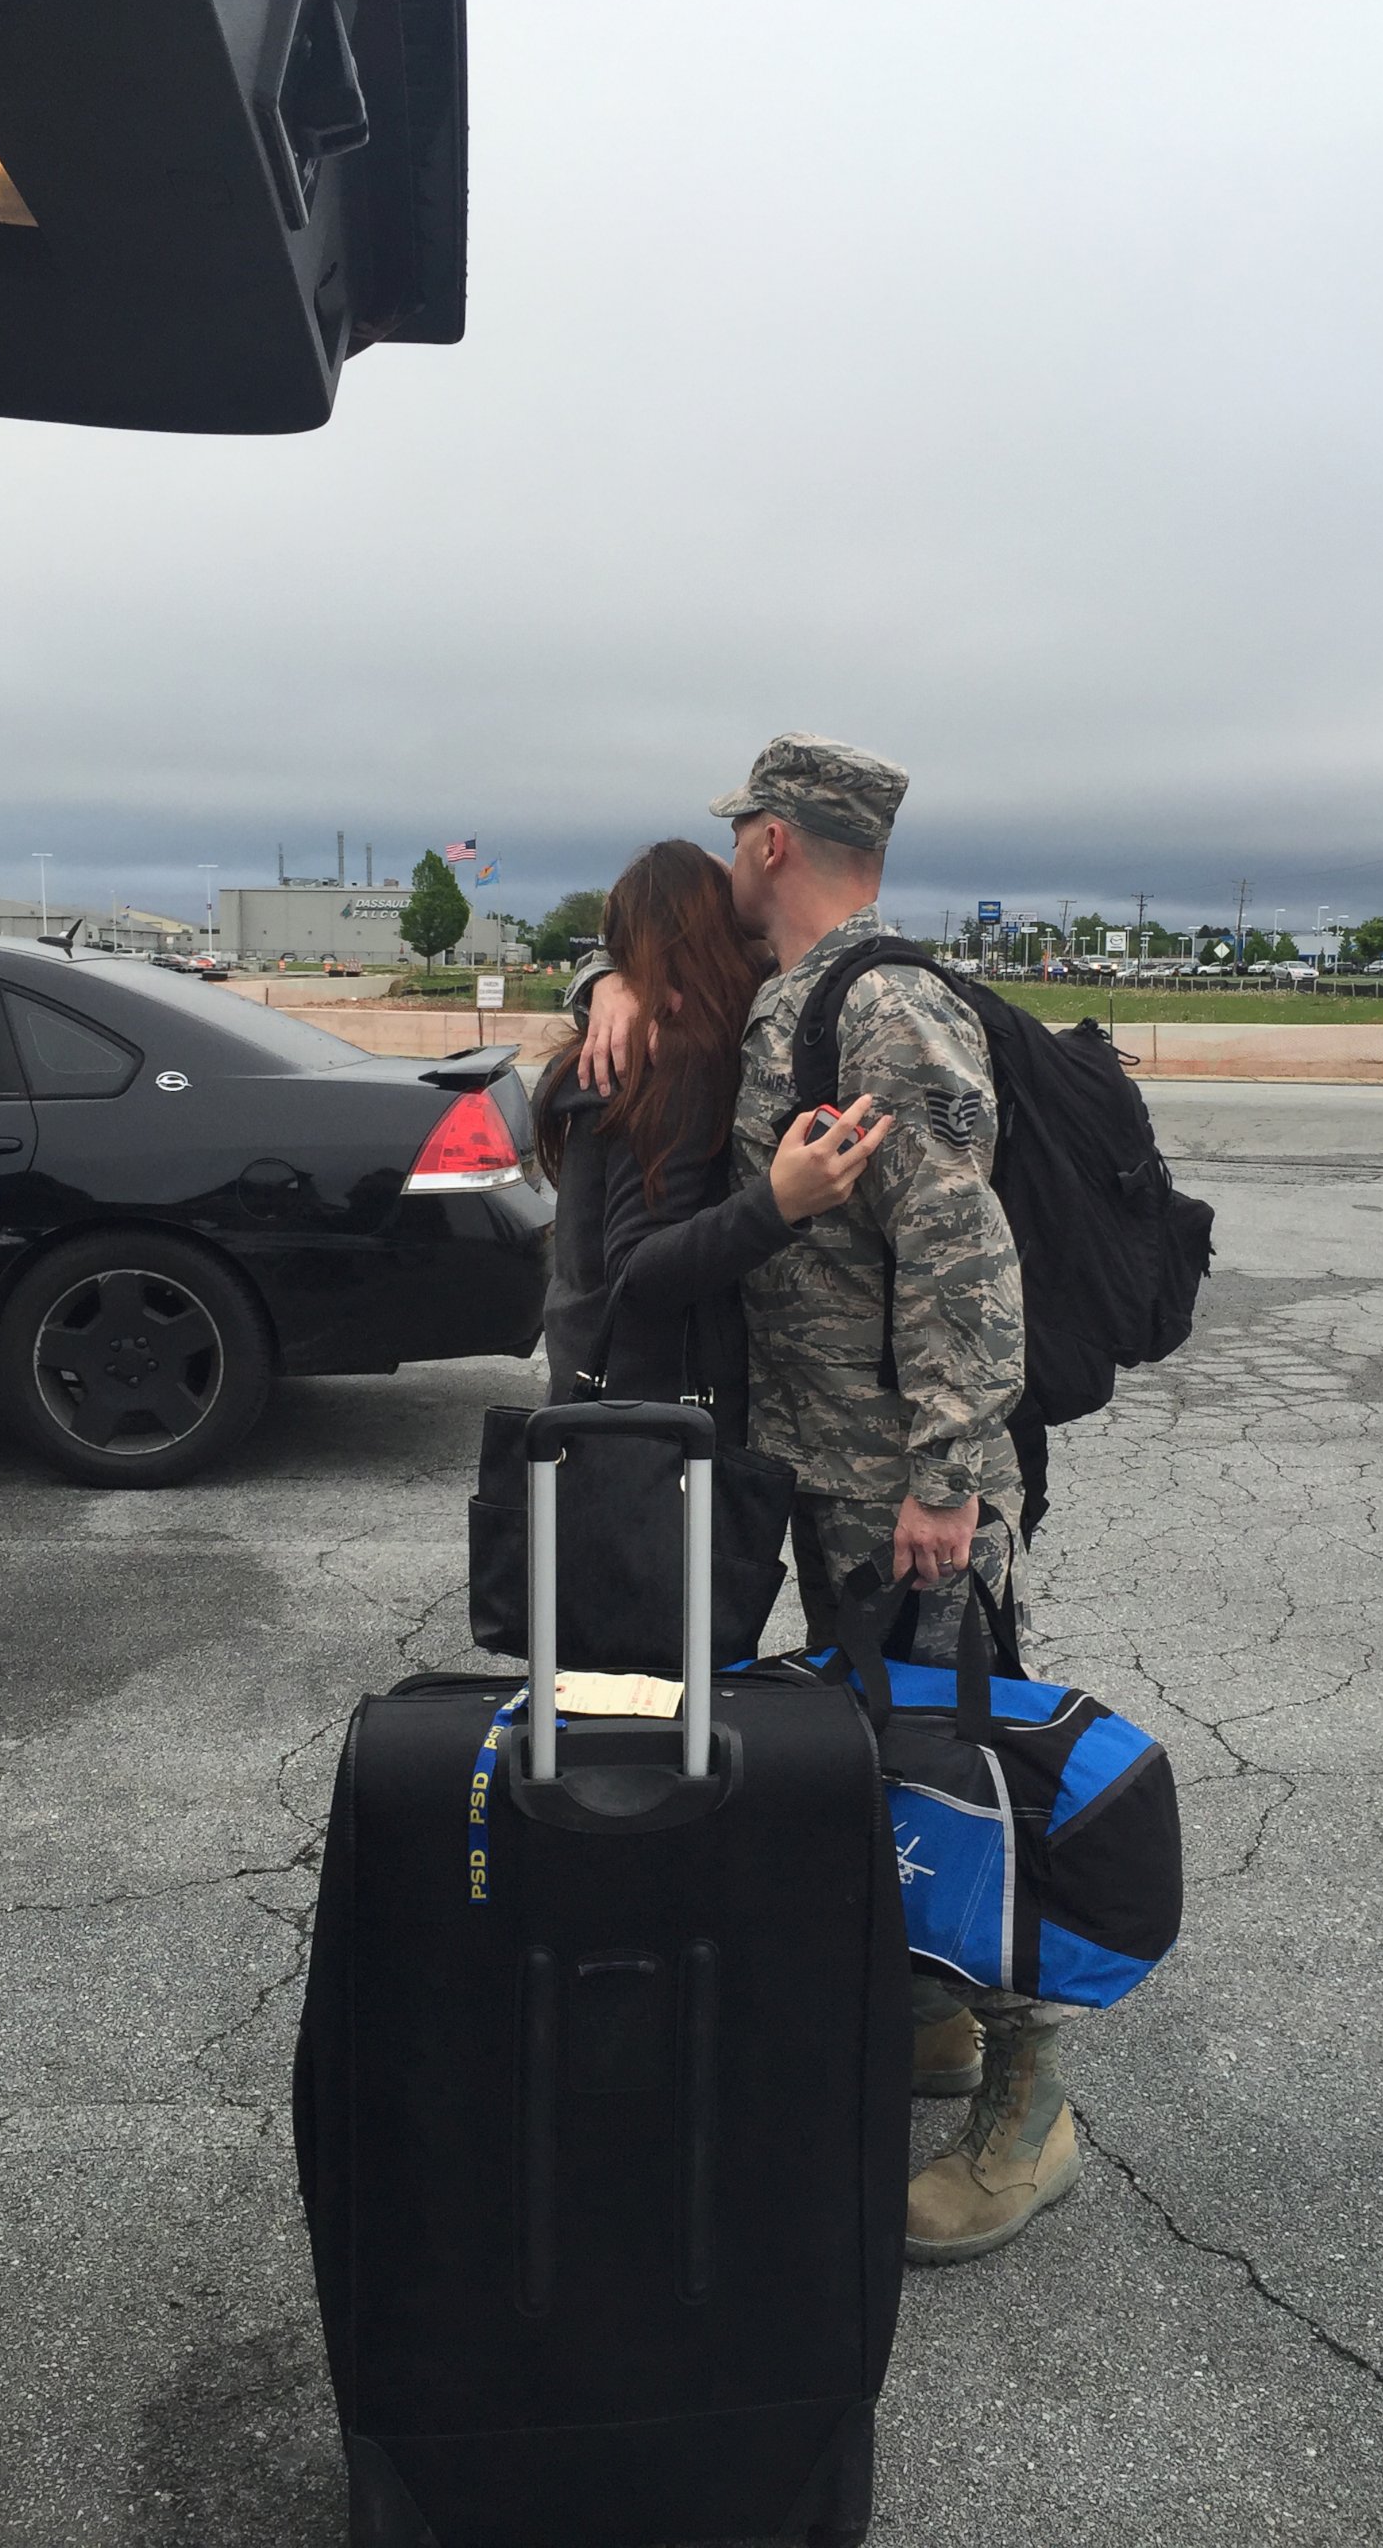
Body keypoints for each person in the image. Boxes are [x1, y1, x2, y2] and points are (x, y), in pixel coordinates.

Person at [576, 736, 1079, 2267]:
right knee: (881, 1746)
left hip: (907, 1492)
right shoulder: (795, 989)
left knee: (965, 1767)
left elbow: (963, 1258)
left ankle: (1030, 2107)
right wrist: (603, 988)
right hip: (821, 1468)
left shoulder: (884, 1003)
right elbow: (653, 952)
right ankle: (932, 2016)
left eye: (741, 833)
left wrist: (945, 1478)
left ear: (776, 840)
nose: (727, 856)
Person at [536, 838, 890, 1442]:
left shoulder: (630, 1046)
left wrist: (606, 976)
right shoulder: (668, 1063)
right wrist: (777, 1205)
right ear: (712, 941)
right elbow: (635, 1271)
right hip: (657, 1426)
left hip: (601, 1403)